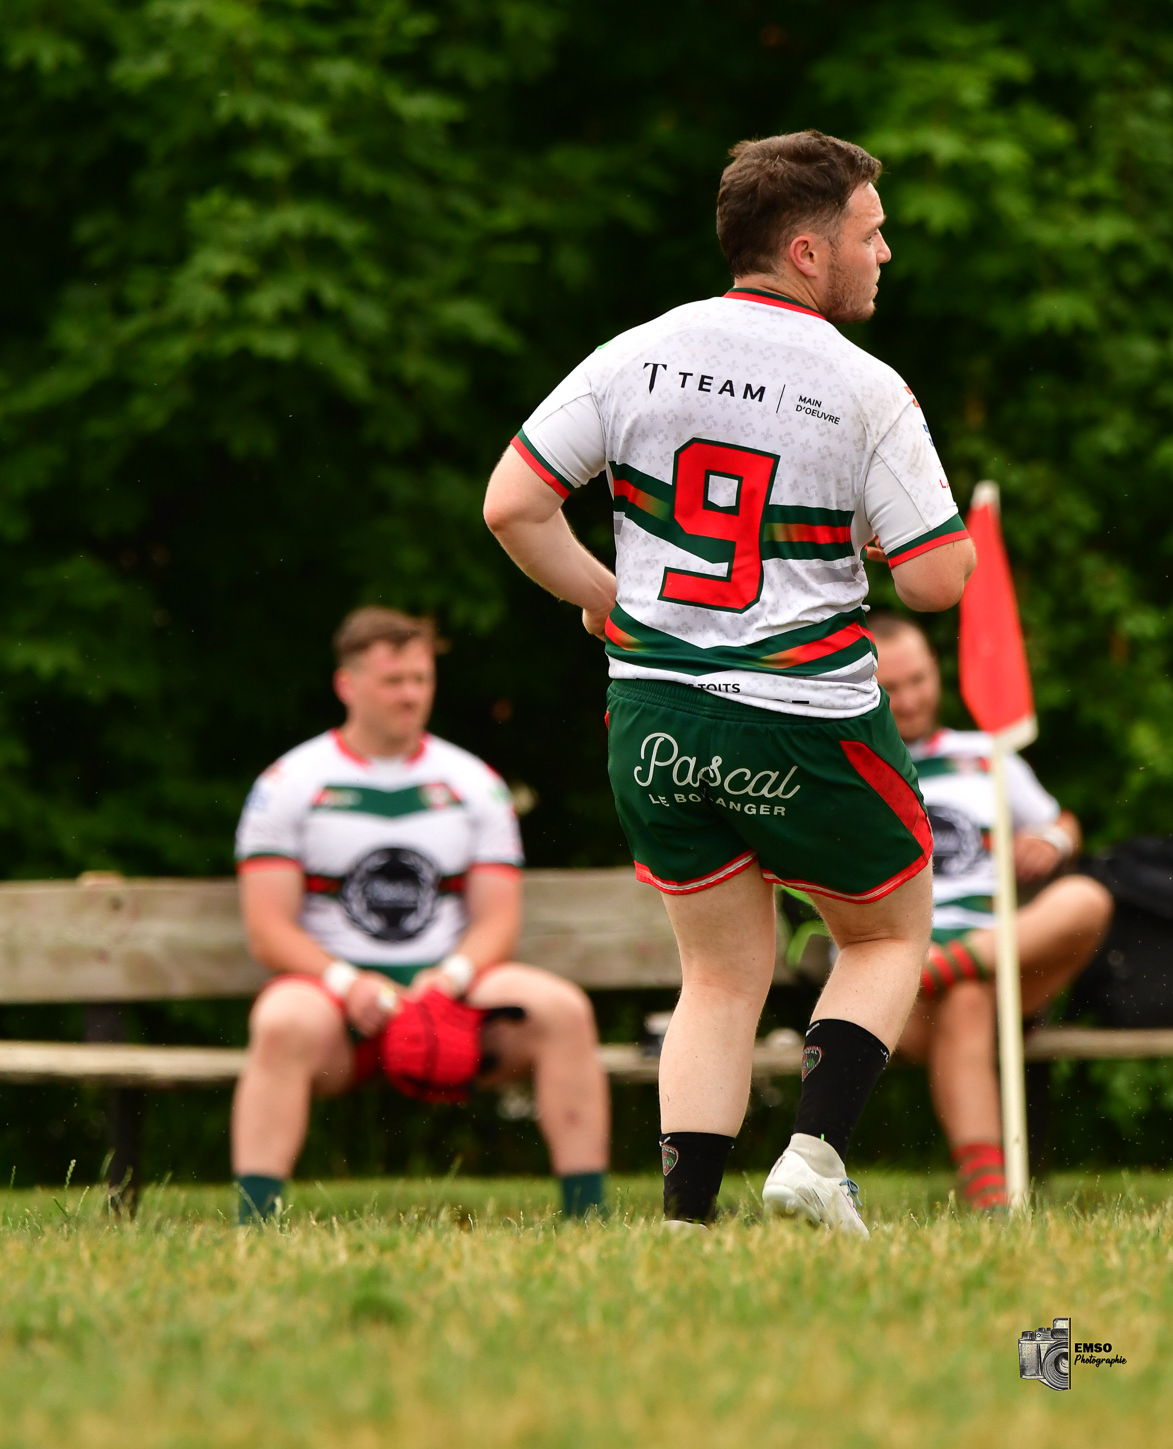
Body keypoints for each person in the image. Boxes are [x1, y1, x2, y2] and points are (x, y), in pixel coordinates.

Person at [484, 130, 975, 1233]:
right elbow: (938, 581)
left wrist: (609, 597)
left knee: (716, 976)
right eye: (869, 233)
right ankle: (815, 1155)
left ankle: (685, 1221)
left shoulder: (636, 353)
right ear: (807, 250)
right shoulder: (865, 387)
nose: (884, 253)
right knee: (888, 934)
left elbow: (511, 505)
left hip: (654, 712)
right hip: (804, 716)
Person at [231, 607, 610, 1223]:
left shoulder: (474, 782)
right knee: (279, 1021)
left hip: (449, 992)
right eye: (393, 681)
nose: (410, 695)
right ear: (347, 684)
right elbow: (268, 929)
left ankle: (587, 1215)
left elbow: (498, 921)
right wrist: (348, 984)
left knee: (563, 1010)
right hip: (335, 1001)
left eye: (420, 679)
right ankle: (254, 1221)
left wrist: (448, 979)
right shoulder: (288, 783)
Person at [873, 613, 1113, 1211]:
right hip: (899, 983)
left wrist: (1052, 841)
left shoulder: (986, 754)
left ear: (936, 670)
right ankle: (992, 1202)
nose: (910, 699)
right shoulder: (853, 767)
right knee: (967, 995)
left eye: (918, 680)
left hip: (1001, 966)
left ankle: (944, 970)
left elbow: (1063, 824)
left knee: (1087, 898)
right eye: (891, 688)